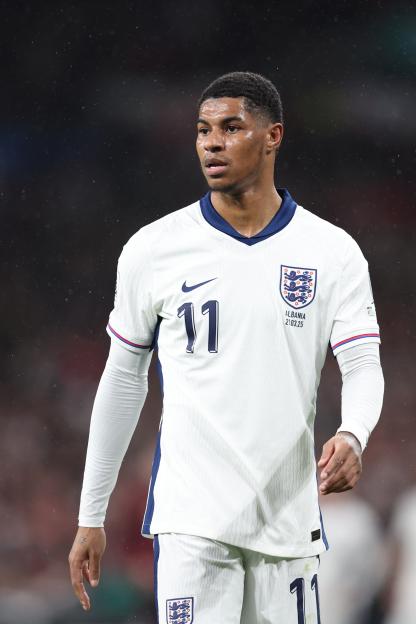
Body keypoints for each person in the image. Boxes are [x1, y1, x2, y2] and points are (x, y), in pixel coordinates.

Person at [68, 71, 384, 623]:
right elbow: (122, 380)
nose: (211, 142)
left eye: (231, 127)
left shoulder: (332, 252)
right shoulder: (155, 249)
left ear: (273, 136)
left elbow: (362, 365)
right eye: (203, 130)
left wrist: (354, 433)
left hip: (287, 522)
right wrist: (90, 514)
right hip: (193, 519)